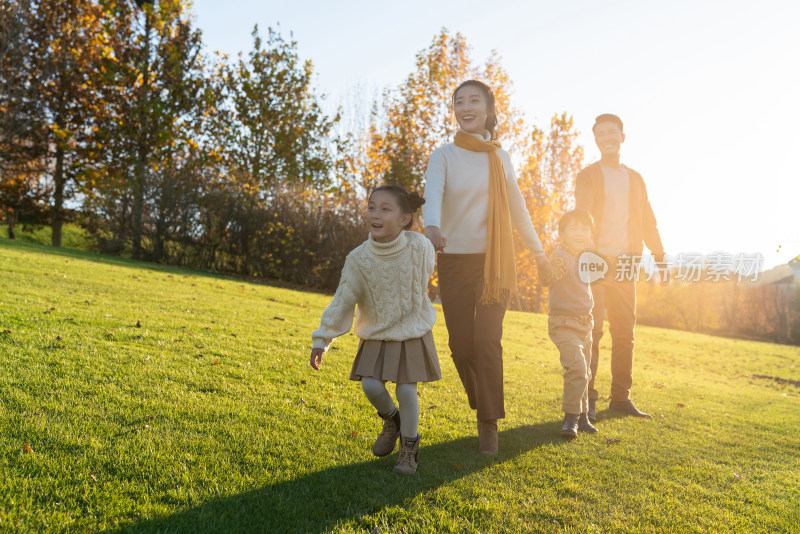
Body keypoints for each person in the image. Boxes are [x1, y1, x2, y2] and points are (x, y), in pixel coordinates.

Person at [423, 80, 551, 455]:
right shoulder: (443, 155)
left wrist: (540, 254)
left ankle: (488, 423)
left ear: (488, 109)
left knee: (487, 340)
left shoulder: (500, 157)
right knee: (461, 346)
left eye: (473, 100)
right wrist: (431, 225)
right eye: (459, 101)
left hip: (494, 266)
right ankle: (482, 397)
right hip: (453, 261)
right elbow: (433, 193)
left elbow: (519, 210)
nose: (465, 107)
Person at [309, 185, 440, 476]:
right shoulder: (358, 259)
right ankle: (391, 421)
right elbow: (342, 300)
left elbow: (427, 265)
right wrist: (322, 339)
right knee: (371, 386)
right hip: (377, 332)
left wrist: (433, 238)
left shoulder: (420, 247)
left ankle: (408, 447)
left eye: (385, 208)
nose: (375, 214)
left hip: (412, 331)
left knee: (407, 390)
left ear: (405, 219)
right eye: (371, 207)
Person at [575, 113, 667, 421]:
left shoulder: (636, 179)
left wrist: (660, 258)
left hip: (628, 262)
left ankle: (620, 398)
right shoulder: (588, 176)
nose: (607, 138)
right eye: (601, 134)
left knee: (625, 333)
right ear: (597, 140)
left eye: (612, 133)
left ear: (622, 137)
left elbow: (649, 223)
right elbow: (582, 215)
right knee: (594, 331)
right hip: (597, 260)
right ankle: (587, 399)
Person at [544, 209, 599, 439]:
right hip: (564, 323)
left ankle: (584, 416)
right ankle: (571, 418)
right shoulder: (560, 258)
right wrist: (547, 270)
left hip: (585, 324)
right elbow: (548, 277)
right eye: (573, 228)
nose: (580, 233)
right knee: (576, 368)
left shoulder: (585, 258)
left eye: (584, 229)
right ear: (562, 234)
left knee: (584, 371)